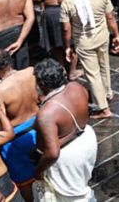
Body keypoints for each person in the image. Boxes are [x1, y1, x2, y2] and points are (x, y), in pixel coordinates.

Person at [57, 0, 119, 120]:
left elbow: (66, 28)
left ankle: (104, 108)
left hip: (84, 42)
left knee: (93, 74)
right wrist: (116, 35)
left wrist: (67, 47)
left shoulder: (68, 2)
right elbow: (110, 18)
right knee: (104, 65)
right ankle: (107, 93)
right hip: (102, 36)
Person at [31, 60, 97, 202]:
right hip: (86, 138)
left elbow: (53, 152)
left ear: (42, 84)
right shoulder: (76, 87)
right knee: (80, 186)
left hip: (67, 156)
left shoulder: (47, 113)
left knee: (74, 196)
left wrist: (37, 172)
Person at [0, 48, 39, 200]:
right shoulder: (31, 72)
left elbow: (1, 126)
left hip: (16, 140)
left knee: (25, 182)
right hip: (39, 127)